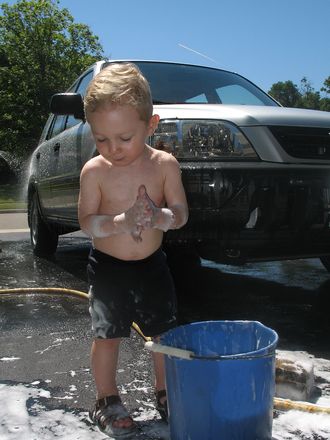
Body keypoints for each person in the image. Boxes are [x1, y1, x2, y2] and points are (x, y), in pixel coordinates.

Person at [78, 62, 189, 438]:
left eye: (124, 138)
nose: (113, 149)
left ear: (150, 126)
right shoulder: (95, 171)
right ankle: (107, 399)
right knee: (108, 334)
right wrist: (120, 223)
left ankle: (166, 393)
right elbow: (87, 222)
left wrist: (161, 217)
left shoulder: (164, 165)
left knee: (164, 334)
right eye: (102, 139)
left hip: (153, 265)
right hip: (108, 266)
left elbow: (181, 213)